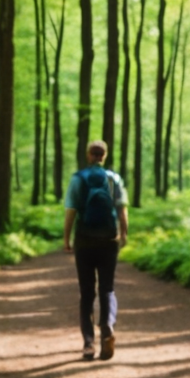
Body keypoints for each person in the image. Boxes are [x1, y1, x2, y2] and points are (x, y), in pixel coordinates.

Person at [63, 140, 129, 360]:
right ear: (105, 155)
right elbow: (122, 209)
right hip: (109, 240)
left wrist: (67, 237)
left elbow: (71, 210)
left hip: (85, 240)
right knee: (107, 288)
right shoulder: (114, 178)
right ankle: (107, 326)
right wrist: (124, 233)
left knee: (87, 292)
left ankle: (88, 344)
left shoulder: (77, 179)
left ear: (87, 154)